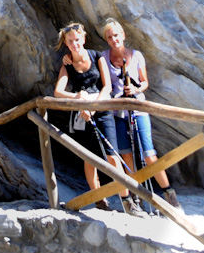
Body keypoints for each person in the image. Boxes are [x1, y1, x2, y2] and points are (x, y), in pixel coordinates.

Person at [53, 21, 143, 215]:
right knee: (90, 158)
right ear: (66, 43)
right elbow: (58, 92)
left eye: (77, 40)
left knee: (112, 155)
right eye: (70, 41)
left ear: (83, 39)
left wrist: (94, 106)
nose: (75, 44)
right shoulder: (67, 64)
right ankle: (99, 199)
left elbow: (107, 87)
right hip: (81, 115)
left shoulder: (97, 56)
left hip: (102, 110)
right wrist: (76, 96)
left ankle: (127, 201)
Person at [100, 17, 182, 210]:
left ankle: (169, 194)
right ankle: (133, 197)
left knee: (148, 153)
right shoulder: (103, 57)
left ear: (123, 35)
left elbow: (144, 82)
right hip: (118, 112)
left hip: (138, 109)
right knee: (126, 155)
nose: (114, 39)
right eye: (110, 37)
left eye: (116, 35)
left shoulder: (136, 56)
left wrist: (135, 90)